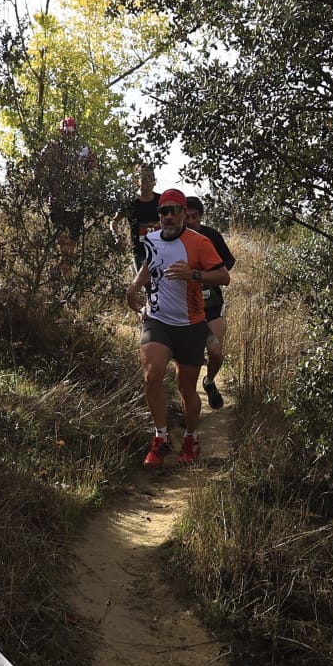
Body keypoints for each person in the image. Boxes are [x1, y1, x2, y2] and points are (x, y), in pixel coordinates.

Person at [125, 188, 229, 465]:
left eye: (174, 211)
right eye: (164, 211)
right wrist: (135, 286)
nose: (169, 216)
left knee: (186, 389)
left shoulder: (200, 242)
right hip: (158, 320)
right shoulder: (151, 238)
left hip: (191, 324)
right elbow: (150, 264)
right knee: (152, 375)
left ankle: (191, 439)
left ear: (184, 213)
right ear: (158, 215)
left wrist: (193, 275)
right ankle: (160, 437)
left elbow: (223, 276)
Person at [34, 116, 99, 294]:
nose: (68, 135)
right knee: (59, 242)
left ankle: (66, 281)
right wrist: (45, 185)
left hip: (77, 205)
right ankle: (53, 280)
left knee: (71, 246)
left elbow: (95, 172)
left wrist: (86, 178)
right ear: (60, 131)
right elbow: (38, 167)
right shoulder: (52, 147)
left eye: (71, 132)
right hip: (57, 202)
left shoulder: (85, 150)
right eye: (65, 131)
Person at [183, 197, 236, 409]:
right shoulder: (175, 237)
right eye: (187, 217)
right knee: (190, 357)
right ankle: (185, 403)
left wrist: (210, 276)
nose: (191, 221)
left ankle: (210, 381)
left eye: (194, 216)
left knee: (215, 352)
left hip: (212, 304)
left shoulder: (211, 235)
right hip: (186, 306)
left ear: (201, 216)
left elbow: (228, 260)